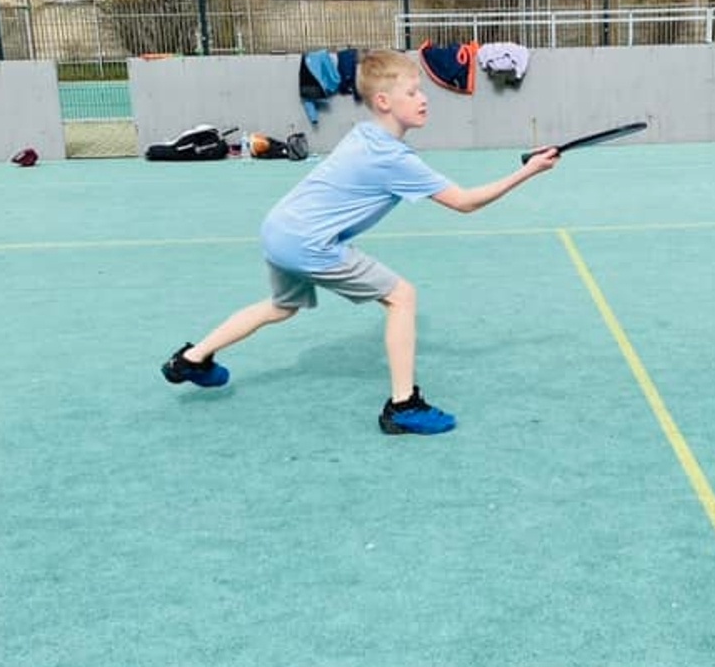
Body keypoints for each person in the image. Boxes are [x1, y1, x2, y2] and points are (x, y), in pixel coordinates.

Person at [162, 49, 560, 435]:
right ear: (384, 101)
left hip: (278, 229)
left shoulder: (365, 134)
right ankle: (403, 406)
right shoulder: (392, 158)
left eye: (422, 91)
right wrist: (528, 172)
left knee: (282, 307)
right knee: (402, 297)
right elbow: (465, 202)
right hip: (308, 243)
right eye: (413, 93)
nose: (423, 100)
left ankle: (191, 359)